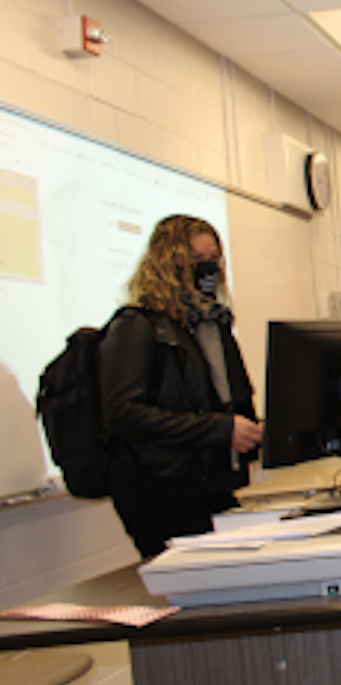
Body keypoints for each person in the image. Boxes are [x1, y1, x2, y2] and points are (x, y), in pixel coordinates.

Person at [99, 215, 262, 557]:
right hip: (159, 487)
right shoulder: (137, 325)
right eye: (196, 261)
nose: (207, 270)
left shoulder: (214, 325)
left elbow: (229, 403)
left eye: (213, 260)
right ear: (167, 263)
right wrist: (218, 430)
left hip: (210, 481)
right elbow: (123, 413)